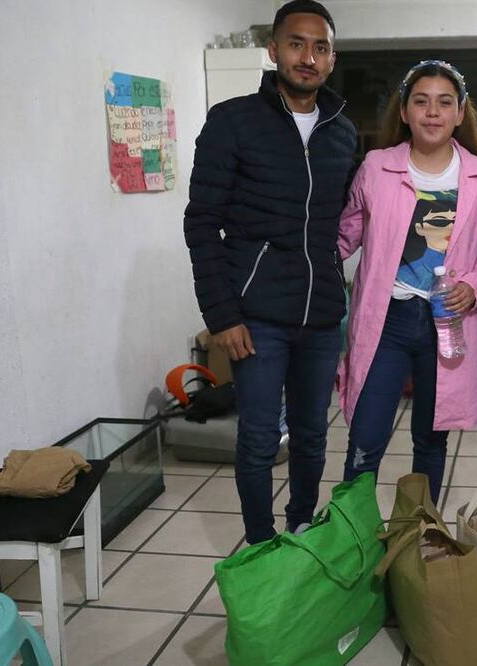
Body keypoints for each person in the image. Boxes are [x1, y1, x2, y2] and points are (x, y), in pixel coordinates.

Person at [183, 0, 355, 545]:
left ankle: (300, 525)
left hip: (321, 316)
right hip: (255, 318)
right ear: (274, 49)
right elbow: (201, 223)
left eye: (320, 47)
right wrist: (222, 315)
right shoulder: (233, 121)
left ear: (331, 59)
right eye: (297, 44)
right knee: (259, 439)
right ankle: (260, 543)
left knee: (311, 436)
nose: (309, 57)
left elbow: (337, 223)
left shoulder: (343, 133)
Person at [338, 60, 477, 504]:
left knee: (431, 441)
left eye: (444, 103)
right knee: (365, 439)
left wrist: (474, 284)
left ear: (460, 113)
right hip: (386, 322)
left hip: (446, 324)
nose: (432, 112)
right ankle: (354, 534)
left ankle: (418, 532)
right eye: (421, 101)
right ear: (405, 111)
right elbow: (344, 237)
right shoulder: (377, 168)